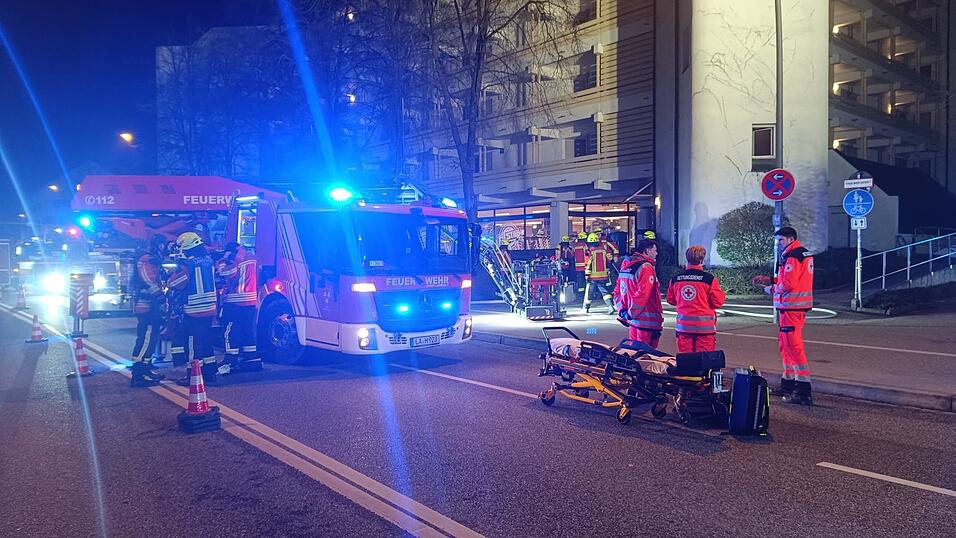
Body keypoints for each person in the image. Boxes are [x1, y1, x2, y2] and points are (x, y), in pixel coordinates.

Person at [764, 226, 814, 405]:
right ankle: (788, 383)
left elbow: (789, 284)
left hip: (791, 308)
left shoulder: (792, 257)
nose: (778, 244)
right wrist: (770, 279)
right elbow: (789, 279)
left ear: (791, 239)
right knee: (786, 347)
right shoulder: (801, 254)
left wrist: (770, 288)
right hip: (792, 309)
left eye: (781, 240)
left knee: (794, 348)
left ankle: (802, 390)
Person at [167, 232, 219, 385]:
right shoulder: (208, 261)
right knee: (206, 340)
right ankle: (210, 373)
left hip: (194, 310)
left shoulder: (188, 264)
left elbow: (176, 284)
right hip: (209, 308)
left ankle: (193, 376)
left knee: (192, 343)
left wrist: (171, 275)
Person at [666, 245, 726, 353]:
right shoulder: (709, 279)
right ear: (702, 260)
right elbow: (718, 302)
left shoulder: (676, 279)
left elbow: (671, 300)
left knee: (686, 361)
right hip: (704, 330)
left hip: (683, 328)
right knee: (703, 363)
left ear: (687, 259)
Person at [216, 242, 262, 375]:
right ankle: (252, 360)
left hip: (235, 301)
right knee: (248, 331)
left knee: (230, 331)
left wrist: (223, 260)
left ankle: (230, 360)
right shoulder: (252, 257)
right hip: (251, 301)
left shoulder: (237, 259)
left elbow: (226, 273)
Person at [129, 235, 167, 387]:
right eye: (163, 245)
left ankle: (145, 368)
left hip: (150, 305)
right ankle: (138, 374)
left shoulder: (150, 259)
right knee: (146, 339)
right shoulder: (148, 259)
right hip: (147, 305)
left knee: (151, 338)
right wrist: (161, 297)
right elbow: (149, 281)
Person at [614, 239, 663, 347]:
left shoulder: (627, 265)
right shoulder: (646, 268)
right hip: (647, 323)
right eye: (654, 250)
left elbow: (618, 291)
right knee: (646, 357)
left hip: (633, 322)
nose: (656, 253)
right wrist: (631, 313)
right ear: (646, 251)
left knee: (634, 354)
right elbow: (642, 295)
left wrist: (622, 311)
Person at [582, 233, 615, 314]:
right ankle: (610, 306)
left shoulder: (591, 251)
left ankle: (585, 308)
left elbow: (588, 263)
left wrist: (587, 275)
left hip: (593, 276)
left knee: (589, 292)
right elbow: (609, 260)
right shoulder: (603, 250)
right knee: (605, 292)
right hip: (603, 276)